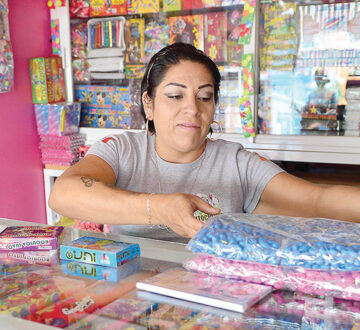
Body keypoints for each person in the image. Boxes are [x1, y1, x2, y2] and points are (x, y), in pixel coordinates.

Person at [49, 43, 360, 242]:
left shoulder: (236, 164)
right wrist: (158, 209)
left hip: (213, 302)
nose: (192, 109)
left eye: (205, 97)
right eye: (174, 96)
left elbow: (319, 199)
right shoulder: (121, 150)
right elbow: (64, 193)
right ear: (149, 104)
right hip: (129, 297)